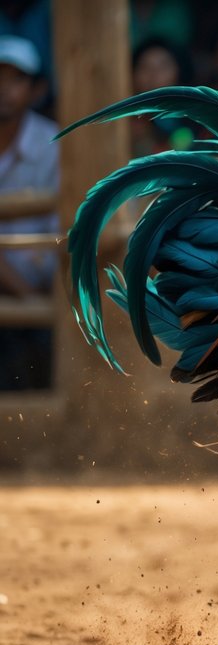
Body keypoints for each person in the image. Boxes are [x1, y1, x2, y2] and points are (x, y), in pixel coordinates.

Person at [0, 35, 56, 390]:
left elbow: (57, 239)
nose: (3, 89)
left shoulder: (53, 144)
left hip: (41, 294)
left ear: (37, 89)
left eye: (16, 79)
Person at [130, 37, 194, 156]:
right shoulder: (128, 122)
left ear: (178, 69)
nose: (154, 75)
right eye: (145, 67)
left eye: (163, 67)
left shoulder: (196, 115)